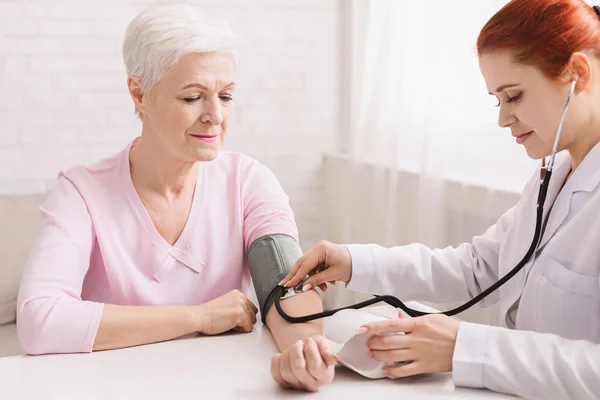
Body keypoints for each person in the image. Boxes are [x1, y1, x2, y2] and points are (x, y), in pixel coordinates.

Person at [279, 0, 600, 398]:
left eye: (514, 96)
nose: (502, 118)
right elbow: (479, 268)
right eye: (497, 99)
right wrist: (353, 261)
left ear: (578, 75)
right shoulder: (551, 176)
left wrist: (464, 347)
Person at [16, 4, 336, 392]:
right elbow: (39, 320)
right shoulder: (80, 192)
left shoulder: (249, 182)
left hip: (221, 387)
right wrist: (196, 317)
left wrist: (302, 351)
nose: (215, 116)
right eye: (192, 98)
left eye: (227, 95)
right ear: (140, 94)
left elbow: (286, 286)